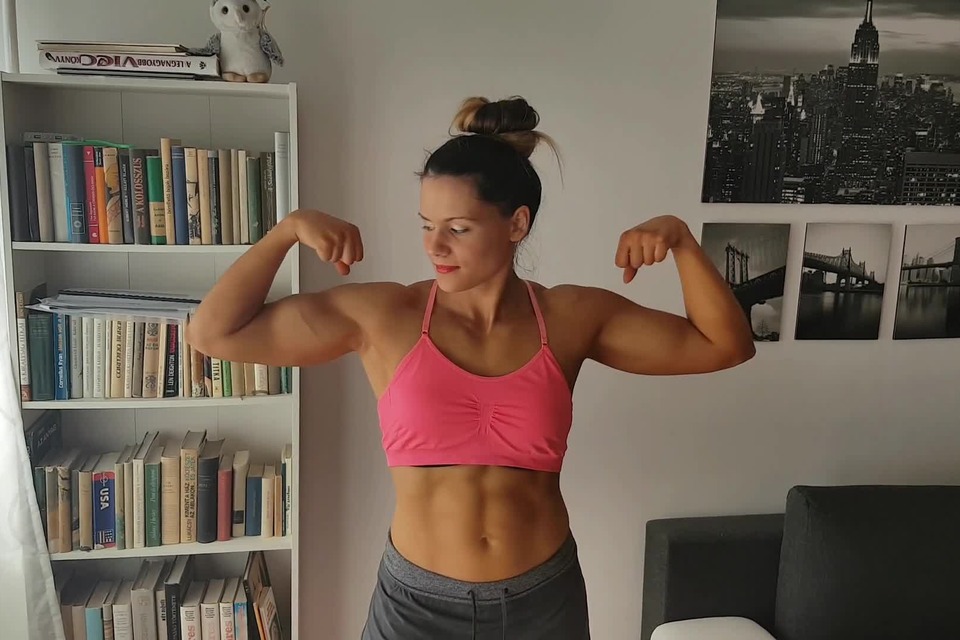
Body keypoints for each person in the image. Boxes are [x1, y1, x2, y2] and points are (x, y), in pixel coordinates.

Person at [185, 95, 756, 639]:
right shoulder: (385, 316)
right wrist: (286, 231)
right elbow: (213, 333)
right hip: (415, 608)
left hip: (542, 603)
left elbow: (724, 346)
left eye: (457, 228)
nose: (435, 246)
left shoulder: (569, 317)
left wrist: (681, 240)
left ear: (516, 224)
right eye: (426, 225)